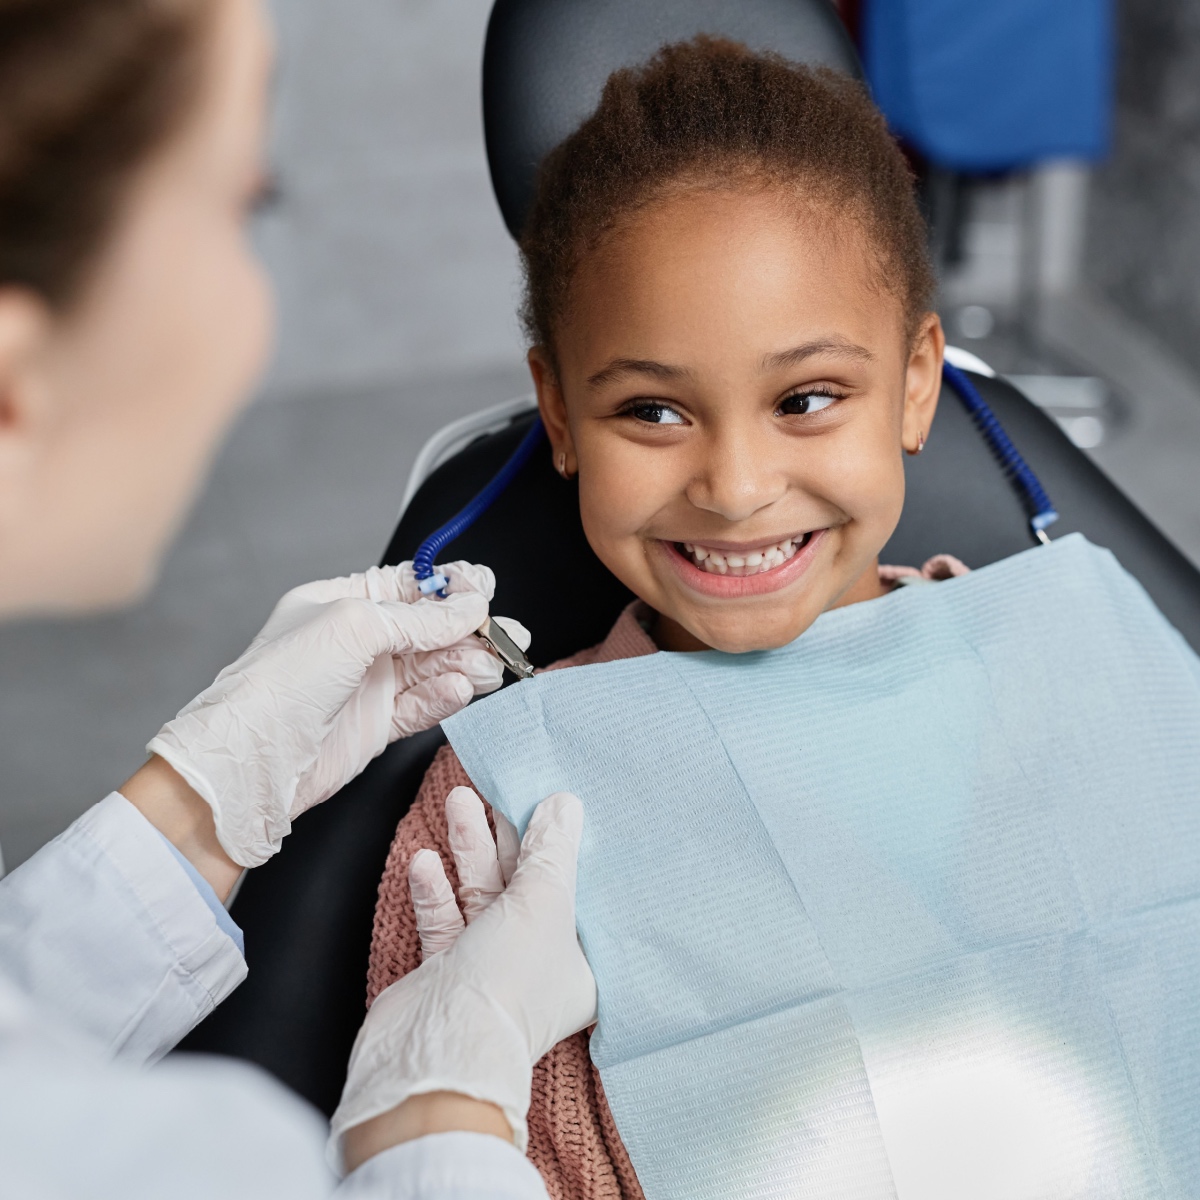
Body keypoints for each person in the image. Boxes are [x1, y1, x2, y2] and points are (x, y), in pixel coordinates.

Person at [0, 0, 594, 1195]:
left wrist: (196, 807)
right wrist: (435, 1103)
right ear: (15, 380)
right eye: (243, 204)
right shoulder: (189, 1163)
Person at [367, 38, 965, 1199]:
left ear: (916, 385)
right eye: (652, 410)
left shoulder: (1061, 675)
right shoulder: (495, 823)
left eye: (806, 399)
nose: (735, 487)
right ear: (560, 415)